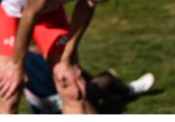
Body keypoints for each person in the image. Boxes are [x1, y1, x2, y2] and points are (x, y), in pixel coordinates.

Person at [22, 47, 154, 114]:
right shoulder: (17, 58)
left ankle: (129, 89)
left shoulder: (45, 52)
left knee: (102, 83)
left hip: (72, 95)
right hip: (53, 105)